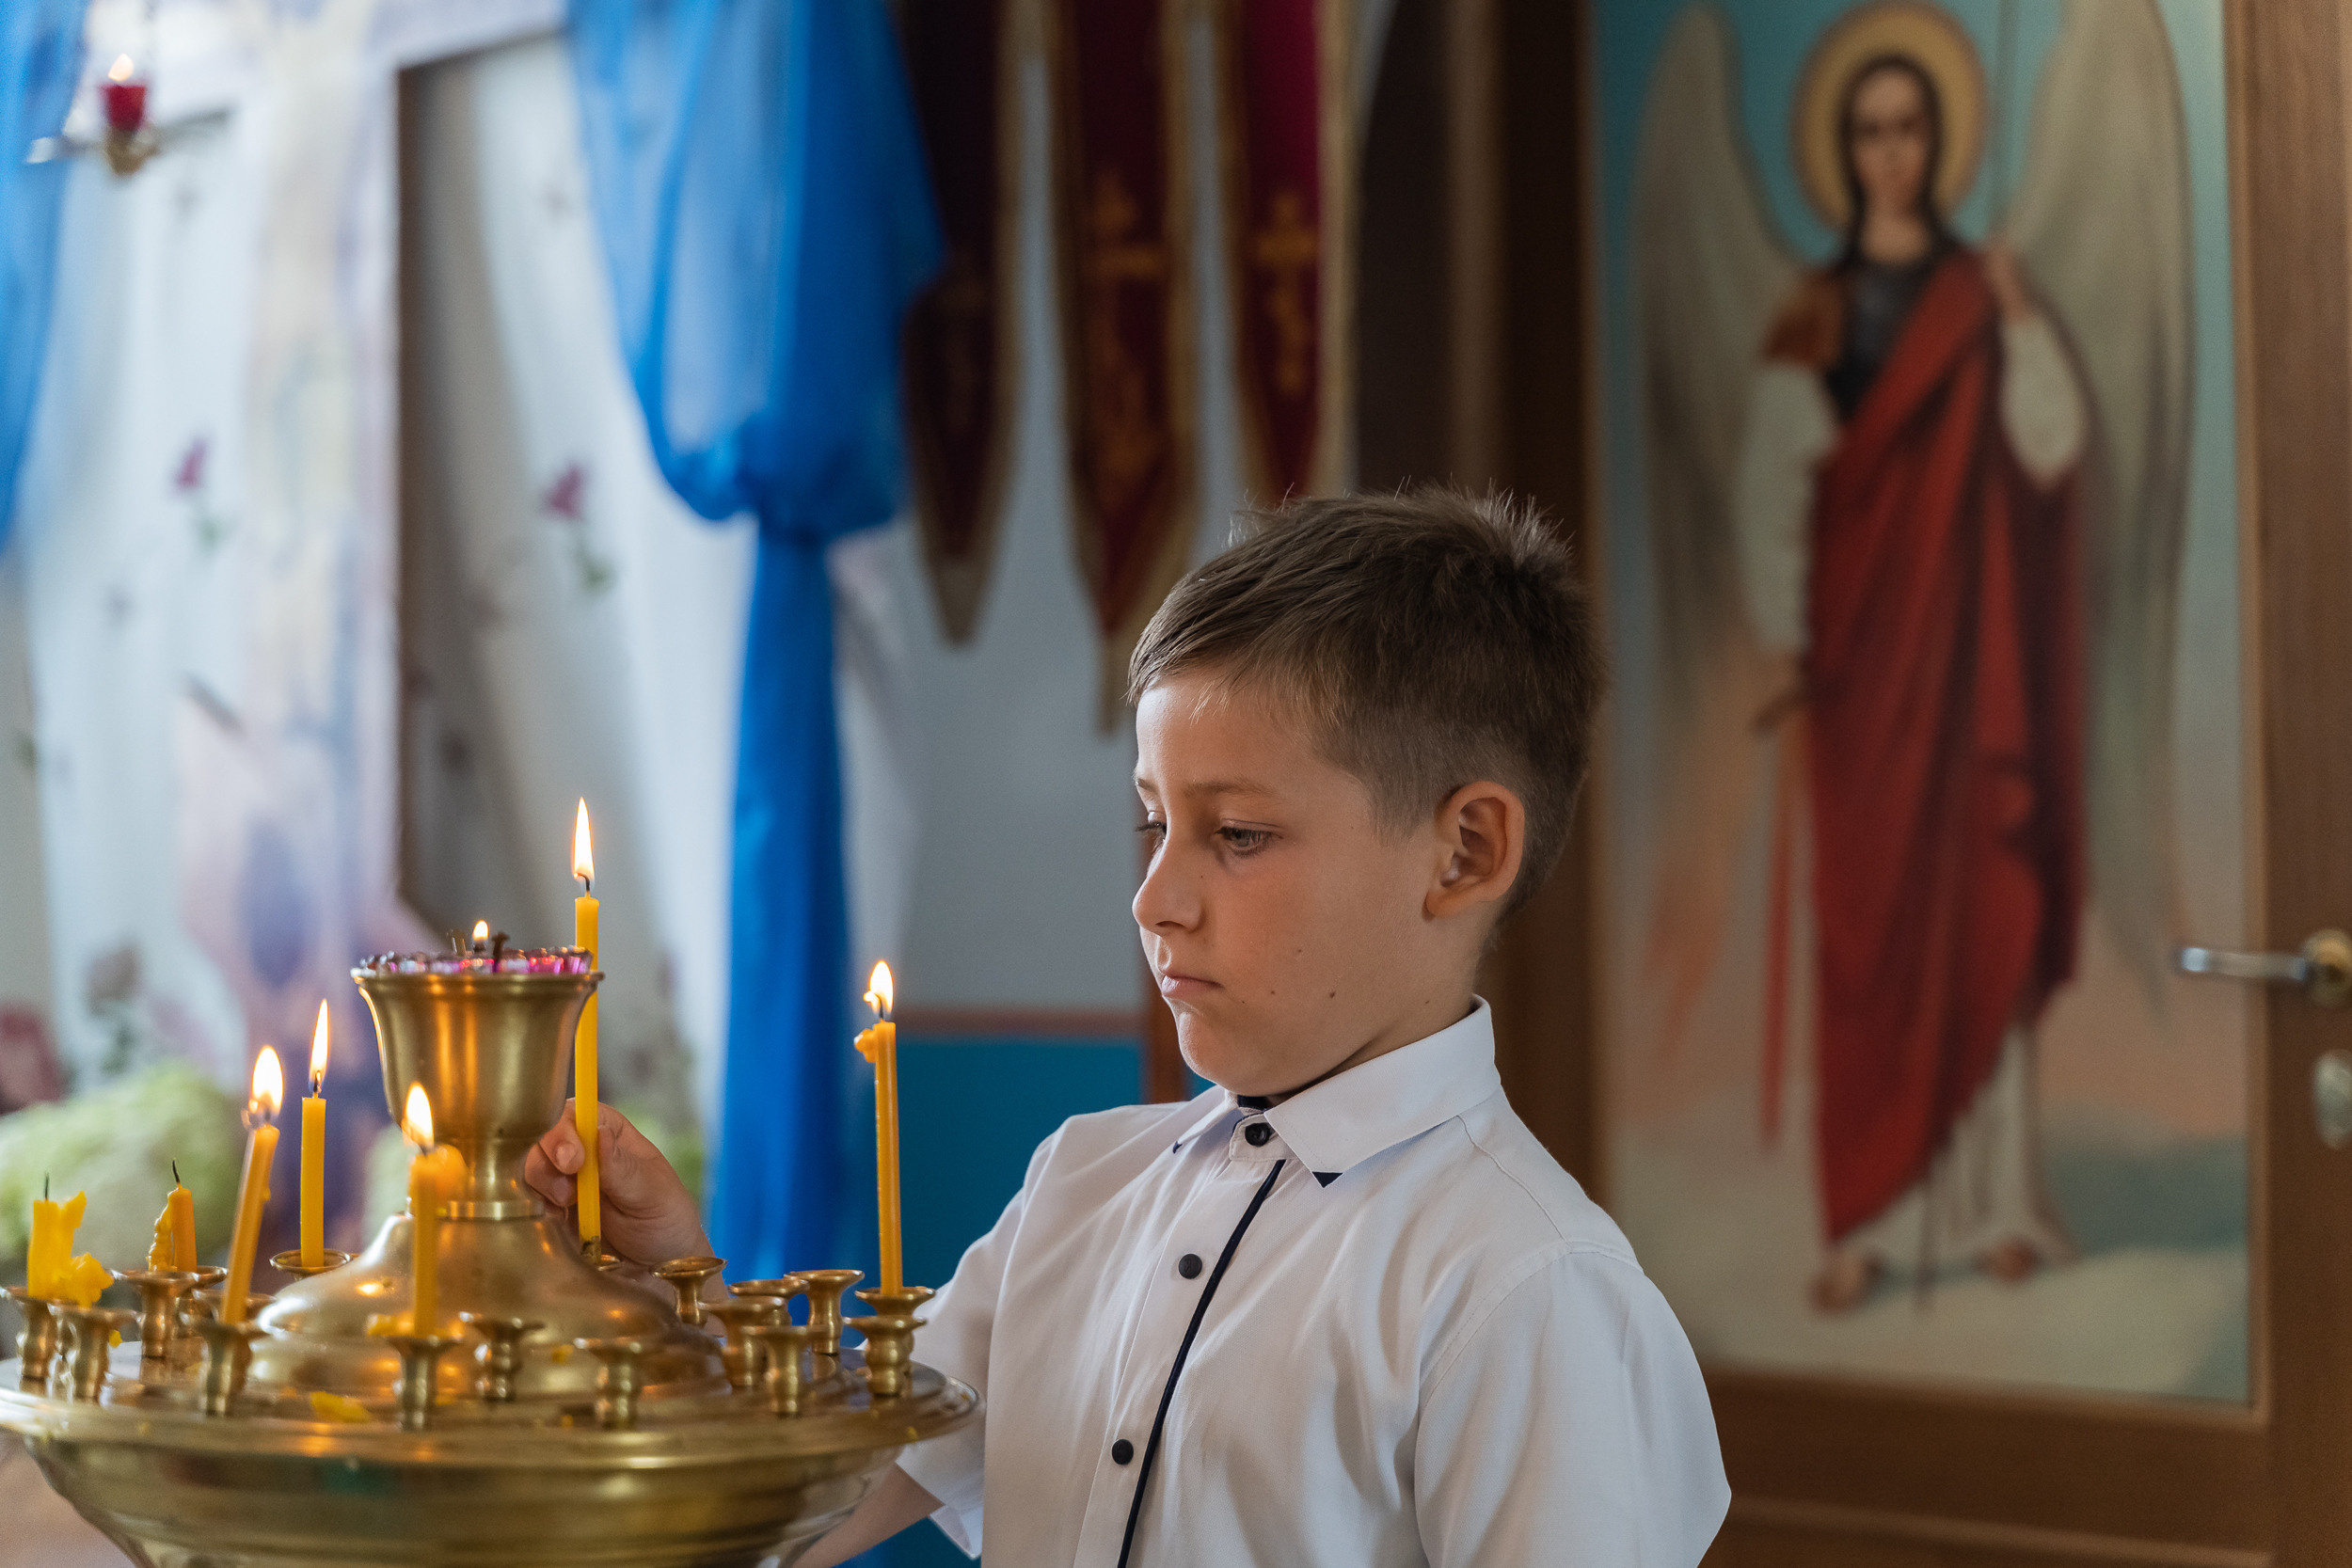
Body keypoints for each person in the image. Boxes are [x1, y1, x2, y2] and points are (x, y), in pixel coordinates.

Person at [528, 489, 1730, 1566]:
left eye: (1237, 835)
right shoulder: (1080, 1184)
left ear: (1463, 850)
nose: (1156, 896)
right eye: (1151, 823)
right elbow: (798, 1510)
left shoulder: (1523, 1288)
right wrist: (668, 1297)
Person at [1734, 52, 2088, 1313]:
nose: (1891, 150)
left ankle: (1996, 1204)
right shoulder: (1814, 313)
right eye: (1871, 130)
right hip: (1862, 671)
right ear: (1845, 148)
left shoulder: (1981, 296)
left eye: (1911, 127)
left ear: (1938, 142)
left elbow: (2051, 444)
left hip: (1971, 656)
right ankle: (1871, 1214)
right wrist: (1785, 639)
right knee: (1873, 934)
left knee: (1980, 891)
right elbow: (1775, 488)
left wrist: (2023, 312)